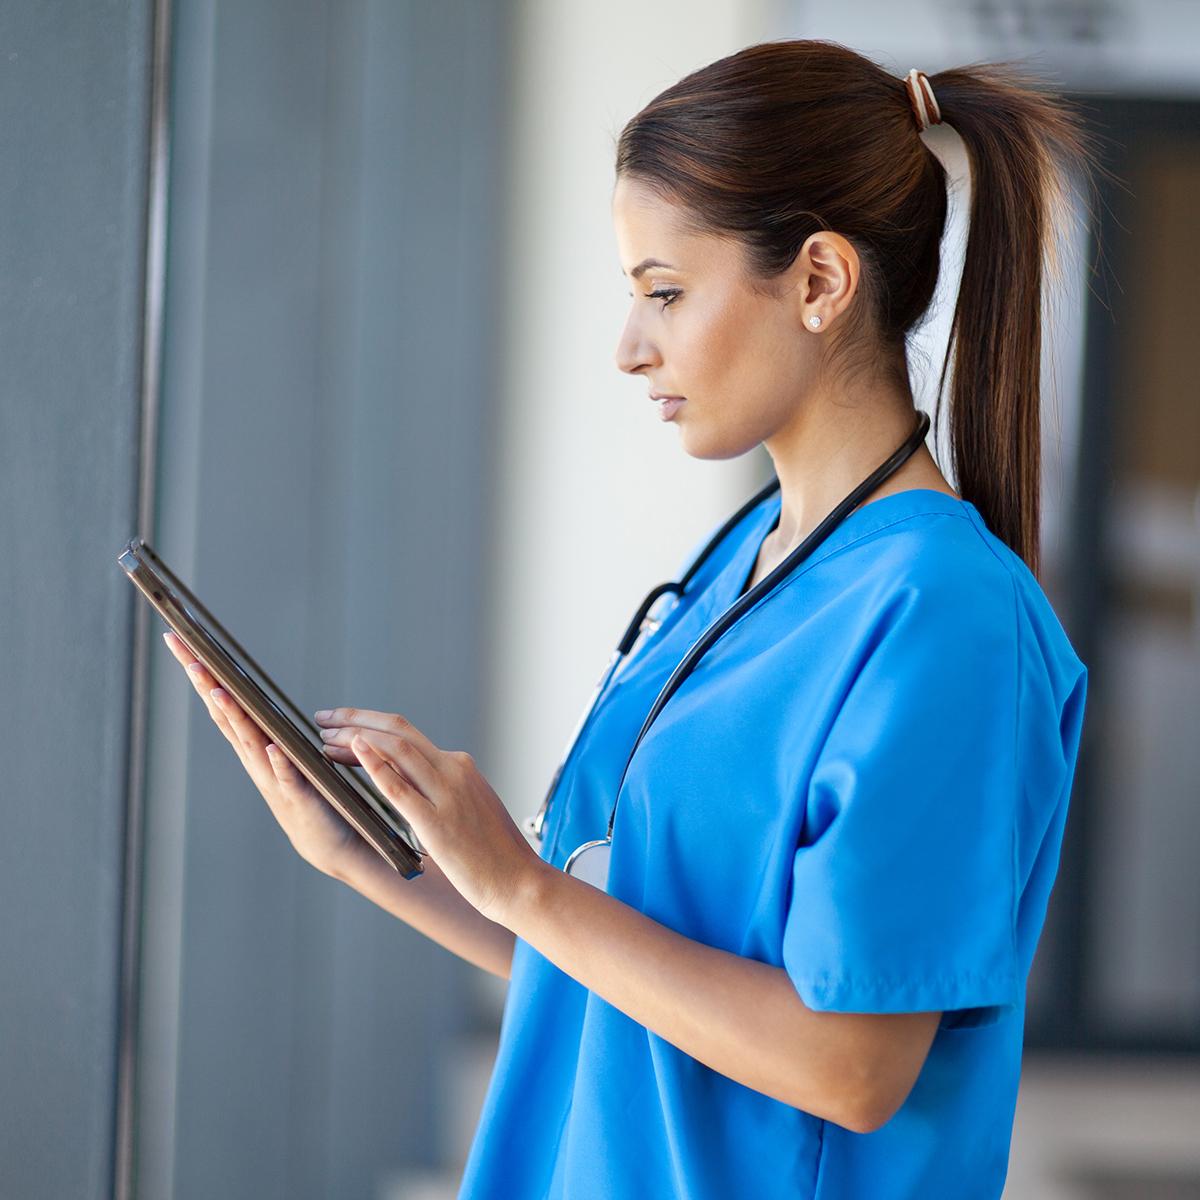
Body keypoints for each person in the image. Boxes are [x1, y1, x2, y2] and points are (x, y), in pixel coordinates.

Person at [164, 38, 1098, 1200]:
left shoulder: (948, 617)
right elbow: (628, 991)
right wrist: (385, 863)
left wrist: (526, 886)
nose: (630, 346)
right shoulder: (737, 566)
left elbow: (852, 1063)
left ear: (819, 280)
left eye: (665, 292)